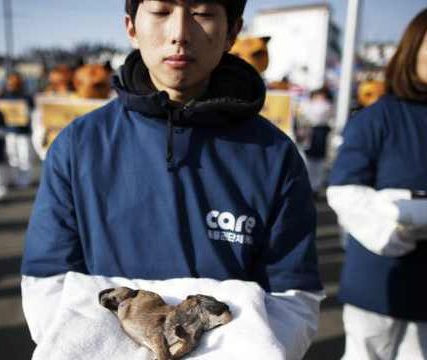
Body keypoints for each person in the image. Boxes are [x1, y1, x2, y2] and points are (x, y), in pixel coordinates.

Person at [22, 0, 323, 357]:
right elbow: (47, 279)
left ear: (232, 32)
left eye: (203, 14)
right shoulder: (78, 146)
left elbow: (293, 295)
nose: (180, 34)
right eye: (162, 11)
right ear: (131, 26)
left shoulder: (274, 154)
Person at [327, 8, 427, 359]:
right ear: (412, 49)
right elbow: (343, 189)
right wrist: (391, 221)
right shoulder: (380, 117)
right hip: (378, 276)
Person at [0, 73, 35, 188]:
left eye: (15, 82)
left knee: (25, 156)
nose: (12, 84)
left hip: (23, 131)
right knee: (12, 155)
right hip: (9, 131)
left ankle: (25, 180)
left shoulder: (27, 97)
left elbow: (32, 112)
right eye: (10, 82)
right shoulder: (3, 96)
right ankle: (14, 178)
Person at [297, 87, 334, 196]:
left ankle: (315, 185)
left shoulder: (327, 106)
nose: (319, 99)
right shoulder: (308, 105)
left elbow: (321, 114)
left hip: (320, 132)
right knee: (309, 158)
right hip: (309, 131)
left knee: (318, 160)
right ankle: (310, 184)